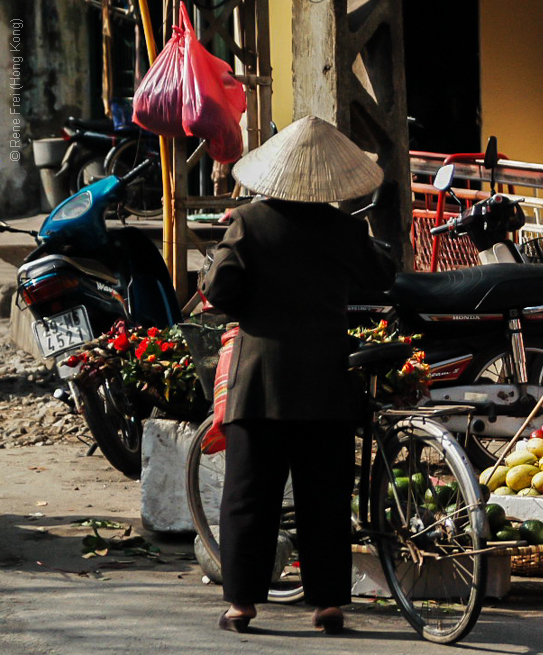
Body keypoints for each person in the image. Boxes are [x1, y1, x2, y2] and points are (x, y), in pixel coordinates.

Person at [200, 116, 397, 634]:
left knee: (248, 496)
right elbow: (380, 281)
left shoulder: (248, 221)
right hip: (327, 380)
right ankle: (328, 603)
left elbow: (220, 293)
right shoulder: (348, 228)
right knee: (325, 496)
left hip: (260, 380)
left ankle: (242, 605)